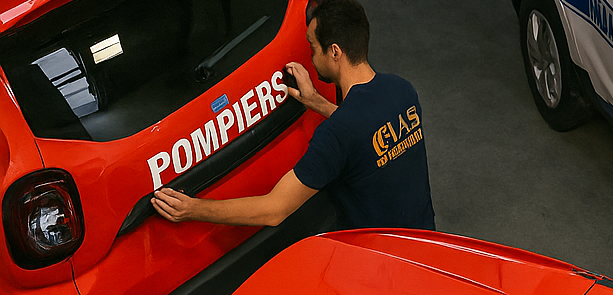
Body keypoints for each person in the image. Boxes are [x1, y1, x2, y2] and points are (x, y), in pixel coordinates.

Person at [153, 0, 434, 231]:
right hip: (423, 244)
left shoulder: (335, 135)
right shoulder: (403, 91)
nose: (311, 58)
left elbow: (274, 210)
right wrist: (318, 102)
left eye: (313, 48)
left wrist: (192, 209)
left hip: (376, 263)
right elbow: (367, 132)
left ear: (334, 51)